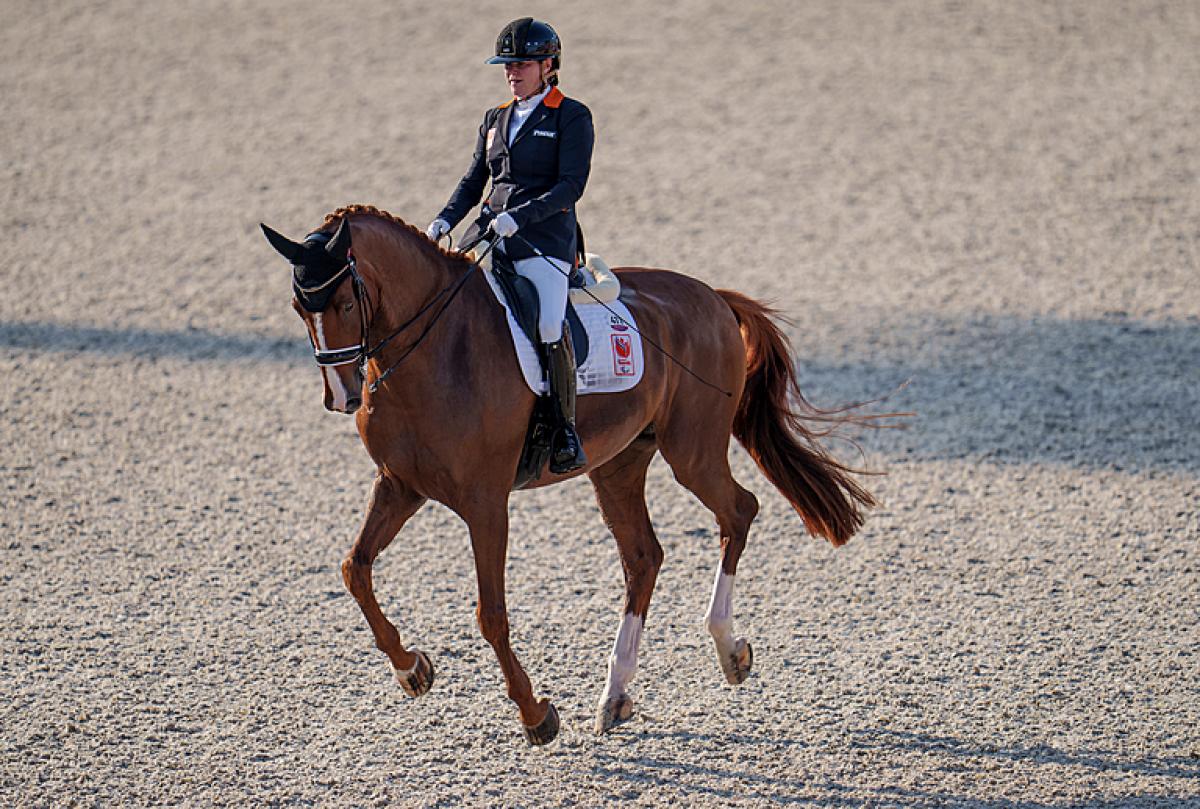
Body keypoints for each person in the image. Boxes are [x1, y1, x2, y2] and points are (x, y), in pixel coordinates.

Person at [426, 17, 593, 474]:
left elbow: (570, 187)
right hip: (488, 233)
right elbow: (473, 180)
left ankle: (562, 430)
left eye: (520, 64)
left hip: (543, 242)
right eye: (507, 65)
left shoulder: (571, 115)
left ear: (548, 65)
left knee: (548, 326)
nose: (511, 72)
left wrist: (520, 218)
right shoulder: (495, 118)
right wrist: (443, 219)